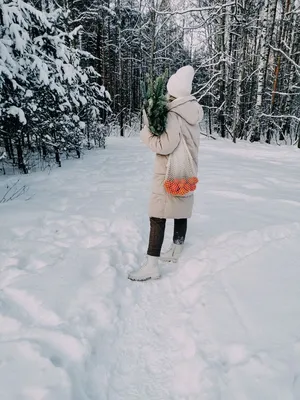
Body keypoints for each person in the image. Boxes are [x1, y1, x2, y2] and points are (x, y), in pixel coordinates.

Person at [128, 65, 203, 281]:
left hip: (169, 169)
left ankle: (151, 265)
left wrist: (146, 135)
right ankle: (176, 249)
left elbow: (165, 146)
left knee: (157, 215)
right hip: (186, 168)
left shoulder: (173, 114)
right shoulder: (192, 111)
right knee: (181, 207)